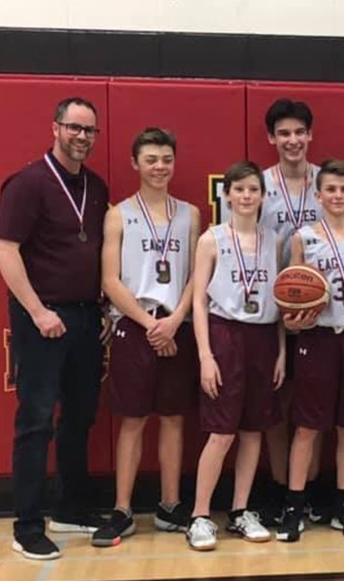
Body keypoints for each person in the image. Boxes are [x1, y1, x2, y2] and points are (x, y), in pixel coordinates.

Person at [0, 97, 110, 560]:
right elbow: (4, 250)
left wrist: (101, 310)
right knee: (36, 420)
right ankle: (27, 523)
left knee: (79, 416)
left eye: (90, 131)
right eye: (74, 128)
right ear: (55, 128)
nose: (82, 137)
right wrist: (39, 311)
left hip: (84, 316)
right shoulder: (27, 183)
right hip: (40, 317)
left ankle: (70, 506)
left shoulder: (97, 187)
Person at [92, 128, 201, 547]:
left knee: (173, 419)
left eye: (167, 159)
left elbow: (196, 274)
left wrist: (174, 321)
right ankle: (122, 509)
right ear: (135, 163)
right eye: (151, 159)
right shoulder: (118, 214)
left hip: (177, 325)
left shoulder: (190, 213)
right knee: (133, 420)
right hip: (135, 326)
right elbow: (110, 279)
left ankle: (170, 505)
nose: (160, 167)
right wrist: (150, 324)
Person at [187, 161, 285, 551]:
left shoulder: (274, 240)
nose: (246, 196)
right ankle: (199, 515)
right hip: (224, 334)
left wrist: (281, 352)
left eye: (253, 190)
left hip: (263, 337)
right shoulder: (211, 239)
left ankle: (241, 510)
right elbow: (197, 301)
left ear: (263, 196)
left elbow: (279, 300)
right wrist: (205, 355)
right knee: (221, 432)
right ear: (226, 194)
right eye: (239, 189)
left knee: (253, 430)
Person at [278, 160, 344, 541]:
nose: (337, 196)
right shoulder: (303, 237)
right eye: (330, 190)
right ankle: (294, 507)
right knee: (307, 427)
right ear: (318, 195)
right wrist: (293, 321)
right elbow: (289, 294)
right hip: (316, 339)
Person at [256, 98, 327, 528]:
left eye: (300, 132)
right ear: (272, 138)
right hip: (272, 309)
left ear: (310, 135)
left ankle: (311, 488)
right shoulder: (257, 185)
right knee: (276, 406)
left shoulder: (330, 182)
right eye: (284, 133)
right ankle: (281, 488)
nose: (293, 140)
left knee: (313, 407)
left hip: (321, 310)